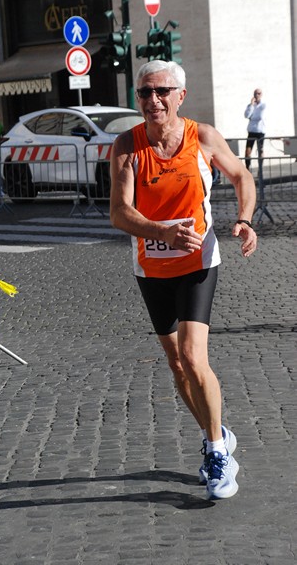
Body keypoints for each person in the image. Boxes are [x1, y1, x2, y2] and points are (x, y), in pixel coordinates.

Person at [109, 60, 257, 501]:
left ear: (180, 96)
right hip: (151, 268)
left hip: (198, 263)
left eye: (162, 91)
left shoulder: (203, 137)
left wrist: (245, 220)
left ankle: (216, 453)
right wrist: (163, 232)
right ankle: (217, 430)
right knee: (176, 365)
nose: (152, 100)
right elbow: (119, 212)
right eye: (144, 93)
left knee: (194, 357)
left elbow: (241, 175)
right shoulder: (126, 145)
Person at [244, 88, 266, 170]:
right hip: (251, 130)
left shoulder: (263, 105)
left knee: (260, 150)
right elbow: (246, 115)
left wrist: (251, 118)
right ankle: (247, 168)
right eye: (255, 94)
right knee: (248, 151)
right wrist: (251, 105)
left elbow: (259, 117)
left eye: (259, 93)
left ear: (261, 94)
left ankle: (260, 169)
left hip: (260, 130)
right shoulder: (251, 105)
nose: (257, 95)